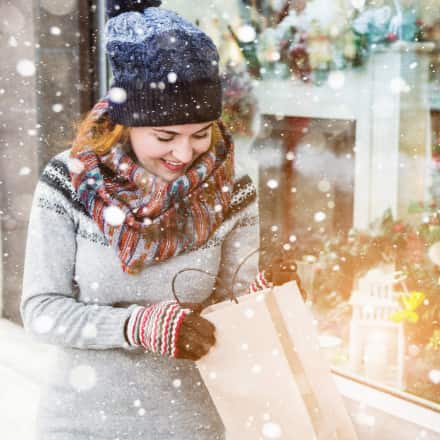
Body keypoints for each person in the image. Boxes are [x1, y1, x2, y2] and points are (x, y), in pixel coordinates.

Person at [21, 2, 270, 439]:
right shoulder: (70, 182)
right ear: (126, 126)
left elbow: (234, 307)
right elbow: (41, 311)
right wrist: (133, 326)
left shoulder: (231, 187)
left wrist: (264, 300)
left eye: (201, 133)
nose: (184, 154)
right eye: (165, 137)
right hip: (80, 424)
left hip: (189, 424)